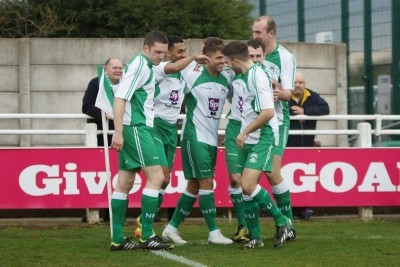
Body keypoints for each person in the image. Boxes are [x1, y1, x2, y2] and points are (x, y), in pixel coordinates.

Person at [134, 35, 211, 237]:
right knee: (163, 176)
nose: (183, 55)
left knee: (165, 182)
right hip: (155, 127)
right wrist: (194, 57)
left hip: (171, 129)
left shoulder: (185, 72)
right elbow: (176, 68)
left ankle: (145, 220)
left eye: (185, 51)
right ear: (168, 53)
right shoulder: (160, 69)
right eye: (180, 51)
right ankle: (146, 222)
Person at [162, 37, 233, 245]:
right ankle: (213, 232)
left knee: (193, 185)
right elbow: (169, 79)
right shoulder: (191, 75)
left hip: (211, 139)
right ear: (207, 58)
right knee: (206, 183)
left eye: (224, 58)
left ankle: (171, 228)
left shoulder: (226, 78)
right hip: (194, 136)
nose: (223, 61)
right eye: (219, 57)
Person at [221, 41, 292, 249]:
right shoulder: (241, 76)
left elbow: (268, 112)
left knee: (248, 185)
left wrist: (245, 131)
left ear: (235, 60)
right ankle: (256, 237)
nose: (227, 65)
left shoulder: (258, 76)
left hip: (263, 136)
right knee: (245, 189)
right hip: (250, 136)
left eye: (227, 62)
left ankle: (282, 222)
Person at [109, 30, 174, 251]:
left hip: (136, 127)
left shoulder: (145, 66)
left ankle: (117, 238)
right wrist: (118, 131)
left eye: (164, 53)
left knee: (125, 182)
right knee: (156, 176)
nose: (161, 56)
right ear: (145, 48)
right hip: (136, 128)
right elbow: (120, 98)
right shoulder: (138, 66)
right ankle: (147, 235)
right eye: (157, 52)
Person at [252, 16, 297, 238]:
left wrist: (281, 93)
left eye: (259, 32)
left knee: (271, 172)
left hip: (278, 121)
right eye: (253, 32)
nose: (255, 36)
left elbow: (290, 93)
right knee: (248, 177)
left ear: (272, 33)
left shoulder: (285, 57)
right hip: (255, 121)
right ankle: (249, 228)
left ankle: (288, 224)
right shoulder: (250, 53)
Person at [82, 57, 123, 222]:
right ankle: (103, 213)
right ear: (106, 69)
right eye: (114, 68)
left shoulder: (126, 83)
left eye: (120, 67)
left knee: (121, 175)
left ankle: (117, 213)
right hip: (102, 136)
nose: (118, 70)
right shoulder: (96, 83)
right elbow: (86, 106)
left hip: (122, 134)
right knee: (104, 175)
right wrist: (105, 114)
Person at [287, 71, 330, 220]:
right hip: (288, 146)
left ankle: (304, 208)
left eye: (300, 83)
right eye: (295, 83)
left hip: (307, 146)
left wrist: (306, 112)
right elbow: (277, 110)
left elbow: (325, 109)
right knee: (289, 178)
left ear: (305, 84)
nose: (297, 86)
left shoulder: (312, 96)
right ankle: (291, 209)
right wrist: (294, 115)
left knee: (306, 179)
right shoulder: (285, 97)